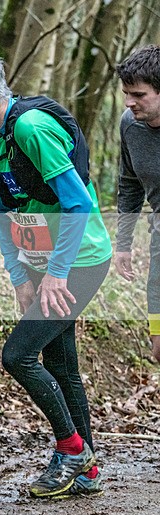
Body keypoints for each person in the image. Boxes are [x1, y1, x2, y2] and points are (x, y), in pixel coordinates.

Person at [0, 53, 112, 498]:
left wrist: (56, 274)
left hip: (80, 260)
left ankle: (72, 450)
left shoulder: (32, 129)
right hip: (41, 261)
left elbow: (79, 204)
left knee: (17, 355)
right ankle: (87, 472)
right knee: (61, 366)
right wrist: (20, 276)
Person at [114, 45, 160, 365]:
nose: (129, 102)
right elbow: (129, 183)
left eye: (138, 94)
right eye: (126, 93)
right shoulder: (129, 125)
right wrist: (123, 243)